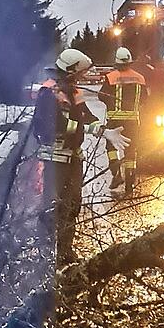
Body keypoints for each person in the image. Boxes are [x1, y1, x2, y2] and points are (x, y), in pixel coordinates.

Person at [33, 49, 130, 265]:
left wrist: (104, 129)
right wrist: (88, 130)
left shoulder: (74, 91)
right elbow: (55, 125)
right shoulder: (49, 92)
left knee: (72, 205)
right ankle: (45, 254)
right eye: (79, 73)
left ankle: (65, 251)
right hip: (55, 160)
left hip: (74, 158)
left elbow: (86, 115)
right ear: (70, 70)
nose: (82, 77)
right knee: (52, 207)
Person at [99, 47, 148, 195]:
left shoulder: (111, 77)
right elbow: (145, 98)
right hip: (133, 121)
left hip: (114, 120)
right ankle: (129, 185)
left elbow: (101, 96)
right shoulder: (140, 78)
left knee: (111, 148)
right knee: (131, 152)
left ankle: (116, 174)